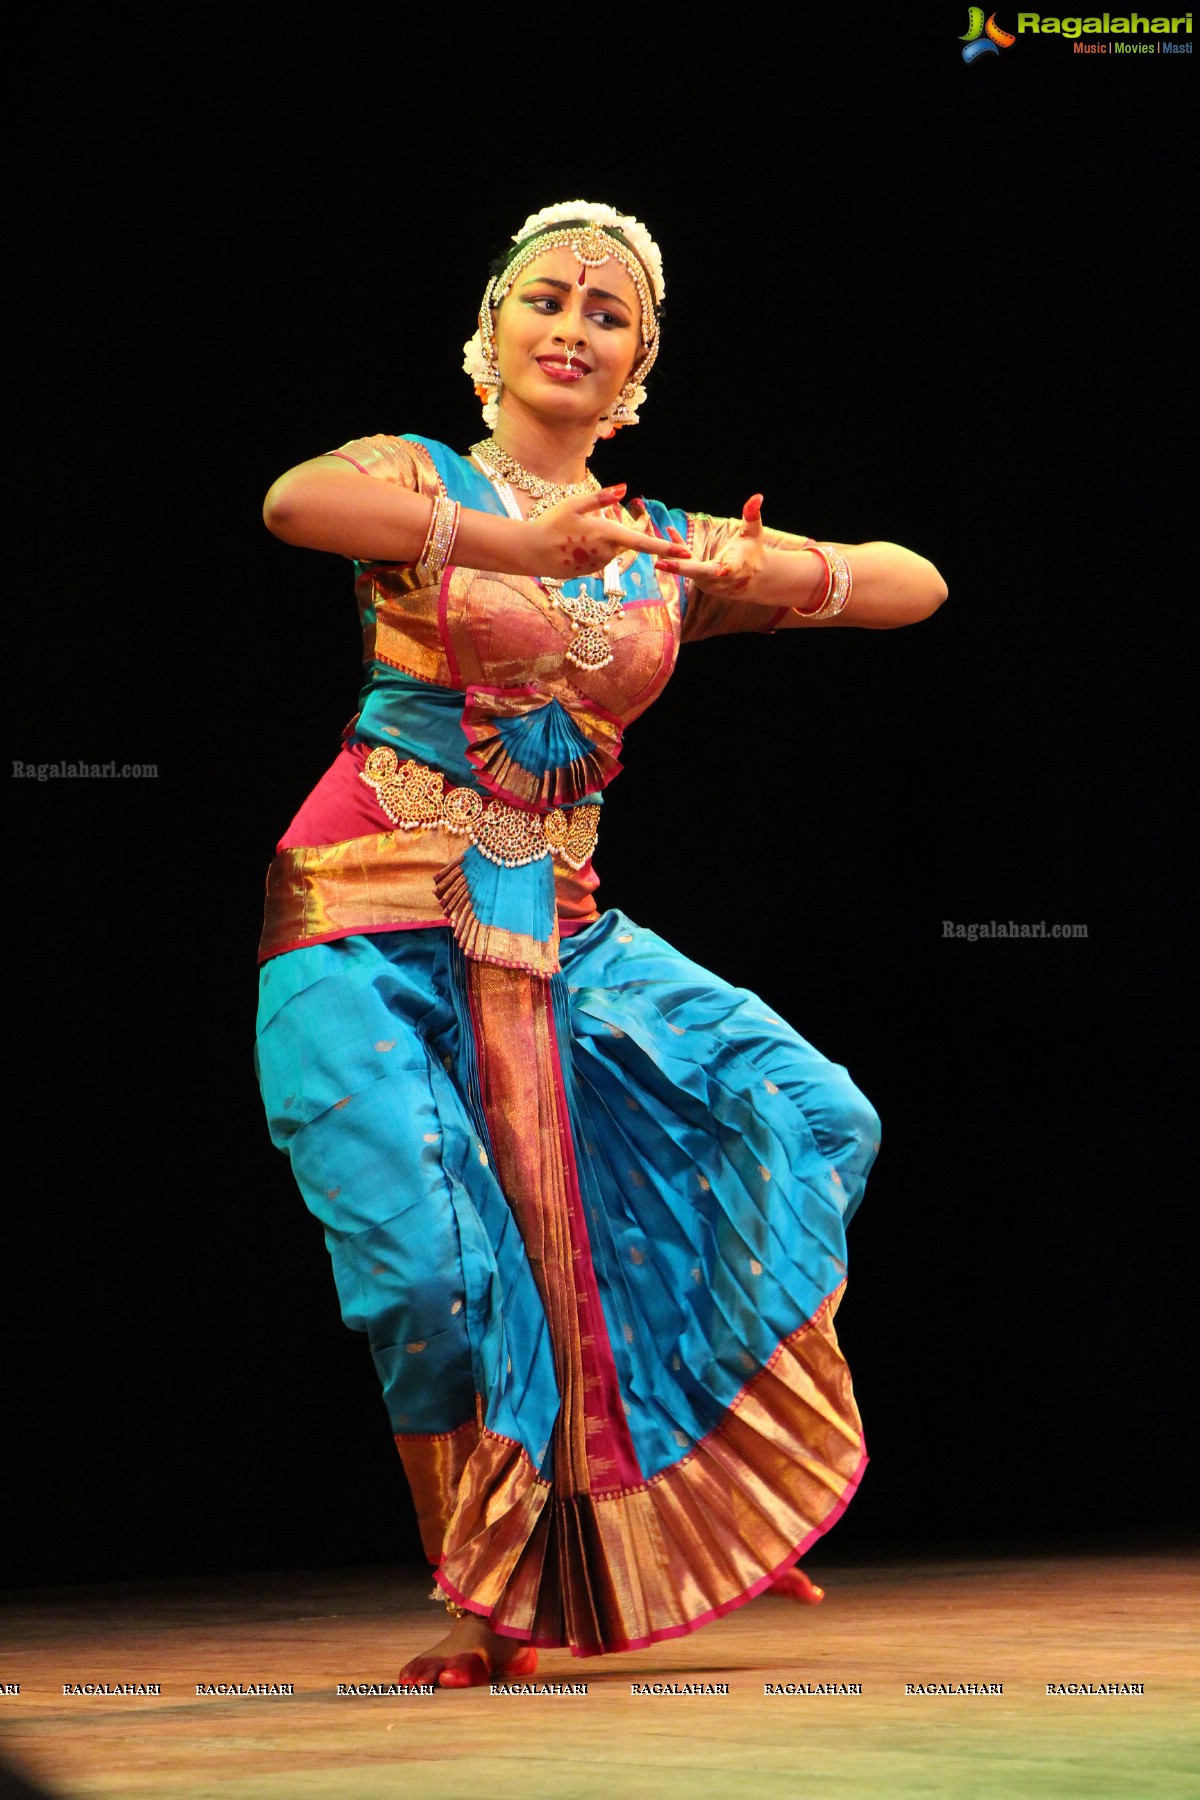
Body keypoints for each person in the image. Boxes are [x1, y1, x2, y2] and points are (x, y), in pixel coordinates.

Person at [254, 200, 947, 1689]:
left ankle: (693, 1466)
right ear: (491, 331)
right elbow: (292, 506)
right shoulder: (415, 478)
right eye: (546, 298)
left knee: (817, 1112)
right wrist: (516, 540)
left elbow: (911, 580)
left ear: (637, 367)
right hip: (366, 925)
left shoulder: (649, 548)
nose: (574, 324)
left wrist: (761, 577)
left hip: (558, 941)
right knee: (434, 1280)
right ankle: (486, 1599)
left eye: (610, 312)